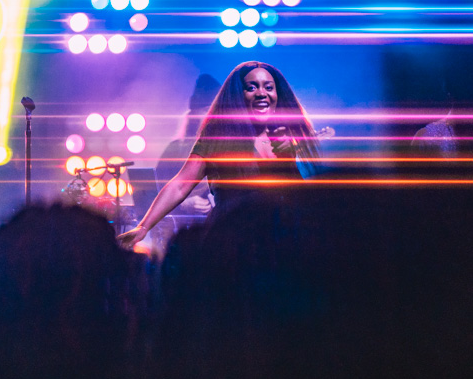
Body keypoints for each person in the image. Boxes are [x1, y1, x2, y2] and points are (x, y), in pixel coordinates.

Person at [119, 61, 321, 247]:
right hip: (232, 242)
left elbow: (305, 200)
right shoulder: (219, 136)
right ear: (239, 97)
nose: (261, 93)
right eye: (252, 87)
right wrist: (144, 226)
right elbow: (181, 184)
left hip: (280, 242)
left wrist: (288, 162)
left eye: (268, 87)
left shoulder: (292, 139)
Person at [155, 73, 221, 216]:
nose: (212, 117)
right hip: (184, 228)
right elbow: (156, 192)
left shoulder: (231, 149)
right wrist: (184, 204)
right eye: (206, 110)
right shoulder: (174, 149)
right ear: (194, 113)